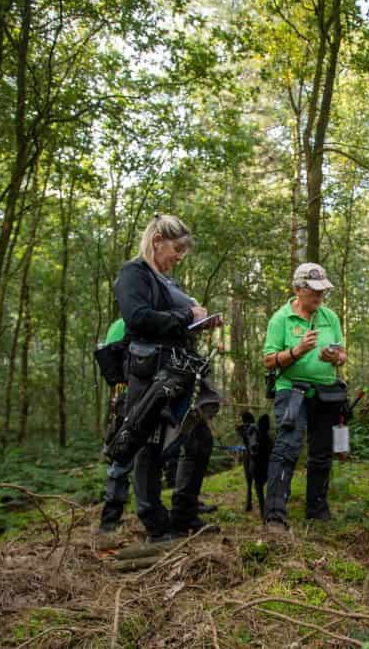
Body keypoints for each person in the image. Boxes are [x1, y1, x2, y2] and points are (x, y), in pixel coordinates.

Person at [110, 214, 222, 542]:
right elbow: (138, 317)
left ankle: (185, 514)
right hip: (149, 372)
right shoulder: (134, 274)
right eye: (176, 249)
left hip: (181, 369)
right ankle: (155, 524)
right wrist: (187, 315)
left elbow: (175, 319)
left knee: (199, 439)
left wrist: (201, 321)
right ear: (157, 240)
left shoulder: (168, 280)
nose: (179, 257)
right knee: (148, 442)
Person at [261, 263, 348, 533]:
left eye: (323, 291)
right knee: (287, 447)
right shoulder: (281, 319)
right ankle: (275, 515)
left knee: (322, 452)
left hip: (327, 392)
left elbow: (343, 355)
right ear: (298, 290)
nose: (320, 297)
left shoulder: (329, 317)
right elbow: (268, 361)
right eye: (314, 291)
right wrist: (296, 351)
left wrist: (336, 357)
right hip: (292, 391)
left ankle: (317, 509)